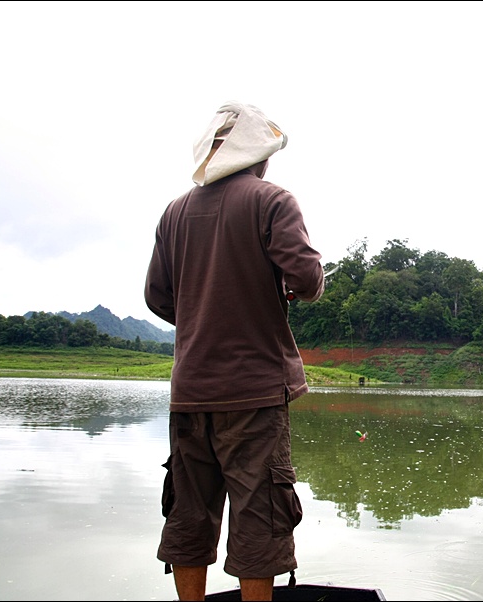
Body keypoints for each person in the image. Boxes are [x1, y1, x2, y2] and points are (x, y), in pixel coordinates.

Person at [145, 101, 324, 601]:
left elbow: (157, 297)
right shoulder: (272, 201)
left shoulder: (174, 212)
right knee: (260, 521)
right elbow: (307, 279)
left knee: (188, 516)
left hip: (190, 394)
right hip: (254, 395)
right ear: (260, 157)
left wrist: (207, 320)